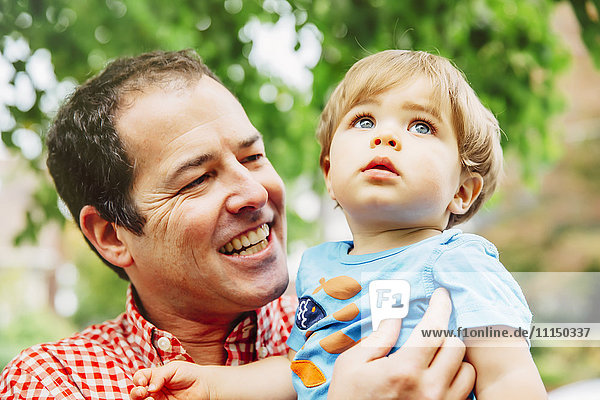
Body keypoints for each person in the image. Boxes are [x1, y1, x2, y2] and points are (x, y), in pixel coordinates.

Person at [0, 49, 475, 399]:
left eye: (253, 157)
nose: (253, 192)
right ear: (111, 235)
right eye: (198, 179)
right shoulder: (55, 381)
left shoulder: (363, 316)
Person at [129, 50, 548, 400]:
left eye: (421, 126)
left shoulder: (460, 262)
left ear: (463, 191)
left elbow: (509, 374)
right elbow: (302, 369)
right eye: (363, 121)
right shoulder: (318, 268)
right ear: (329, 174)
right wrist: (215, 387)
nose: (385, 136)